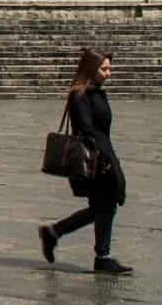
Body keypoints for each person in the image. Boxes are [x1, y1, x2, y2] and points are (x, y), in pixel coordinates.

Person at [39, 49, 131, 276]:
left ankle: (57, 234)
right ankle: (99, 255)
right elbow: (87, 130)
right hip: (94, 159)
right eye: (104, 68)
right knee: (104, 206)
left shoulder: (97, 93)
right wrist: (104, 158)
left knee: (103, 206)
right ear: (91, 69)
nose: (109, 73)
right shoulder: (80, 95)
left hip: (104, 154)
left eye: (109, 68)